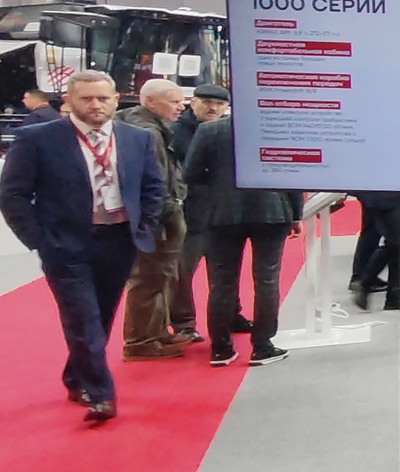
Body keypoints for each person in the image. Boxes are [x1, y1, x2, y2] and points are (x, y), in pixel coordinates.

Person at [0, 70, 166, 422]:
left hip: (119, 239)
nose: (95, 105)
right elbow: (13, 194)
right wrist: (39, 240)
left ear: (116, 99)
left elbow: (152, 187)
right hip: (65, 244)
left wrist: (145, 225)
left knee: (102, 315)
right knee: (82, 317)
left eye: (102, 98)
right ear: (69, 102)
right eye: (86, 98)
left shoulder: (136, 138)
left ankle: (77, 376)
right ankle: (101, 394)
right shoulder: (37, 139)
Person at [184, 111, 300, 366]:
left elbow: (190, 173)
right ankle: (262, 345)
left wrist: (219, 185)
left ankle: (220, 349)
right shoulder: (279, 127)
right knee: (267, 279)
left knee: (221, 281)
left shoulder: (209, 130)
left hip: (222, 212)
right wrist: (297, 214)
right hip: (272, 208)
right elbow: (292, 171)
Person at [115, 79, 191, 359]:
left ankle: (155, 333)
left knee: (161, 277)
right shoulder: (148, 132)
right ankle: (139, 342)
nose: (180, 107)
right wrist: (166, 215)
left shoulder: (144, 127)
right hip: (160, 218)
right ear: (150, 102)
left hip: (160, 214)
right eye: (174, 101)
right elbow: (155, 180)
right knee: (150, 278)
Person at [169, 83, 233, 345]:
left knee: (225, 270)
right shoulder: (175, 132)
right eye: (206, 101)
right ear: (192, 103)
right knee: (183, 272)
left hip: (222, 210)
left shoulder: (226, 131)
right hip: (189, 212)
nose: (213, 107)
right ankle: (184, 324)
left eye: (219, 103)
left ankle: (232, 315)